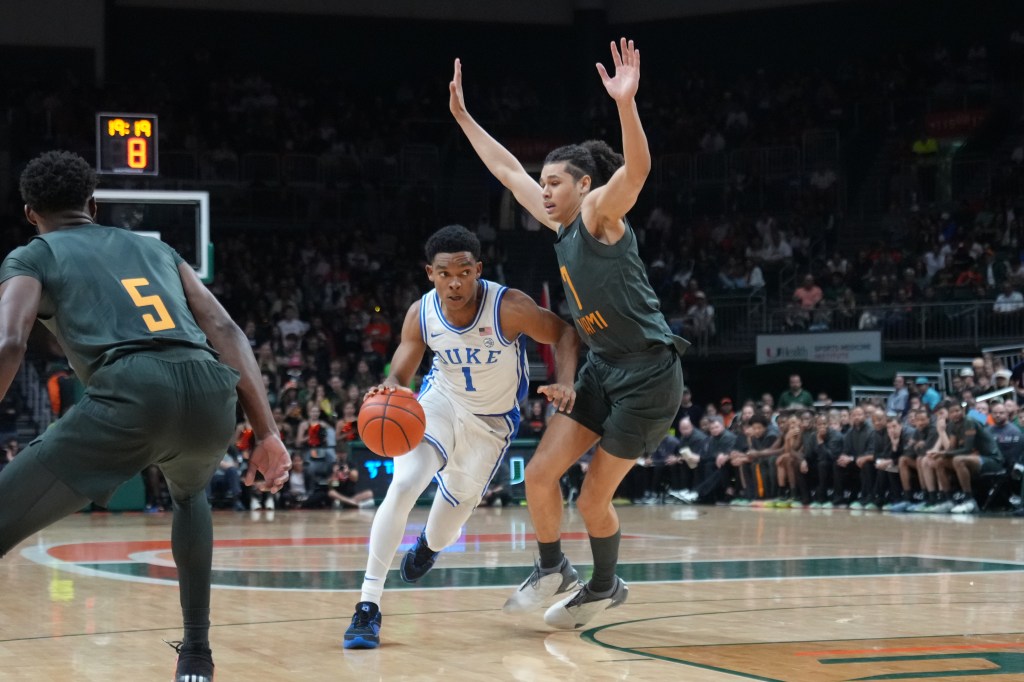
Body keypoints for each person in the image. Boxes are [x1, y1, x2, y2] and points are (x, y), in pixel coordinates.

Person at [0, 150, 290, 682]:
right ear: (94, 203)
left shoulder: (32, 255)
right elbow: (225, 330)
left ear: (29, 214)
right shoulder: (158, 251)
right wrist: (267, 433)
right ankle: (196, 655)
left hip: (133, 391)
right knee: (189, 496)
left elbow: (9, 342)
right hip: (209, 391)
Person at [449, 38, 688, 629]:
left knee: (591, 500)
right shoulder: (560, 220)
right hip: (604, 367)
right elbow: (507, 171)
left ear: (584, 186)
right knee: (538, 474)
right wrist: (463, 117)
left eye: (555, 182)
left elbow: (638, 170)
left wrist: (626, 105)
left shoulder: (600, 216)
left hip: (650, 375)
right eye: (545, 183)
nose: (545, 190)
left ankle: (606, 586)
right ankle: (554, 567)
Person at [344, 224, 579, 649]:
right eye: (445, 273)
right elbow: (401, 368)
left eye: (464, 272)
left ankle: (429, 546)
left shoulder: (509, 306)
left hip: (491, 424)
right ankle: (368, 605)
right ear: (430, 273)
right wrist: (393, 385)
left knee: (448, 525)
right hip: (440, 403)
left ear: (478, 270)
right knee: (403, 485)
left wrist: (565, 382)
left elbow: (564, 333)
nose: (455, 282)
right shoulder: (422, 312)